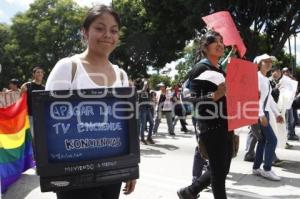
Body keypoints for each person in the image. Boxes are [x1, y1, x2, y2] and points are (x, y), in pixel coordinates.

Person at [44, 4, 136, 199]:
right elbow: (46, 121)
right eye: (99, 28)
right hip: (73, 176)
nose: (107, 35)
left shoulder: (121, 75)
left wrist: (129, 167)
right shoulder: (68, 67)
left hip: (112, 173)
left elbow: (125, 125)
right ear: (85, 32)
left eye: (113, 30)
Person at [177, 30, 233, 199]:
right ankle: (190, 192)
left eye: (222, 41)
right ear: (205, 46)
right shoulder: (200, 68)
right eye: (215, 41)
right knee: (218, 174)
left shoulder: (221, 70)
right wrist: (213, 95)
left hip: (226, 124)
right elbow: (189, 102)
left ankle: (189, 192)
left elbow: (227, 96)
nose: (220, 44)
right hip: (210, 126)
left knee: (222, 169)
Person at [252, 54, 284, 181]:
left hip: (264, 112)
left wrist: (277, 114)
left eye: (270, 61)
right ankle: (267, 169)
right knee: (272, 140)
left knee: (263, 140)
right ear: (260, 63)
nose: (270, 63)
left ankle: (256, 168)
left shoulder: (265, 79)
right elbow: (255, 97)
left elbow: (269, 98)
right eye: (266, 61)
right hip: (259, 113)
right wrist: (260, 114)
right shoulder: (257, 77)